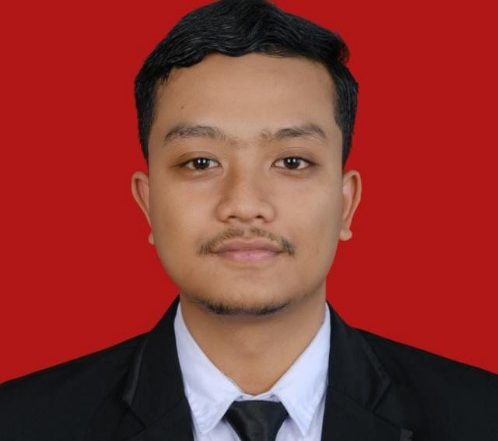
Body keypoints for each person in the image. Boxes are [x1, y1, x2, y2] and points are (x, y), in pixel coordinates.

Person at [1, 0, 497, 440]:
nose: (243, 203)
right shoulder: (21, 422)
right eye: (200, 162)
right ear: (146, 202)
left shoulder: (482, 416)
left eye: (292, 162)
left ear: (346, 202)